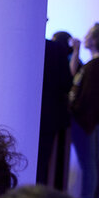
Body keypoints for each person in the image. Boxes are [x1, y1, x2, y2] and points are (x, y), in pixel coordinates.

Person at [68, 22, 99, 198]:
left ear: (96, 39)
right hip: (90, 122)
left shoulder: (96, 65)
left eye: (89, 35)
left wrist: (74, 111)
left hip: (85, 122)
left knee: (88, 165)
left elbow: (88, 98)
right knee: (91, 163)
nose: (86, 37)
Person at [36, 38, 72, 190]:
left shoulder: (14, 41)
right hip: (47, 118)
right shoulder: (56, 49)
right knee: (40, 166)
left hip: (18, 115)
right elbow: (66, 84)